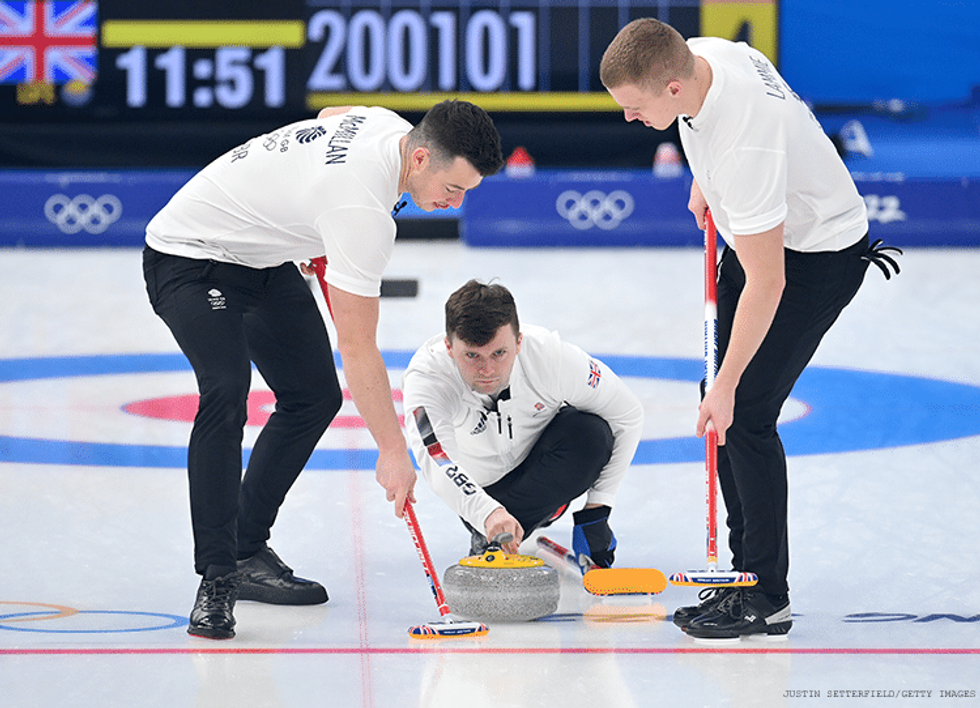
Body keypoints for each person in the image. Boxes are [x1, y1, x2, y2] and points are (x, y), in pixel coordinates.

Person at [142, 101, 504, 639]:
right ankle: (218, 577)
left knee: (313, 395)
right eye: (453, 188)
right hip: (191, 256)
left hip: (263, 257)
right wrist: (390, 451)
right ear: (422, 156)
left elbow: (333, 113)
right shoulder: (360, 213)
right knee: (226, 387)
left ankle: (246, 550)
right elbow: (358, 347)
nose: (455, 201)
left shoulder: (389, 128)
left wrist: (304, 206)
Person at [600, 19, 900, 639]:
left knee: (745, 412)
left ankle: (766, 595)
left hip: (812, 260)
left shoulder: (746, 145)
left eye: (635, 108)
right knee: (721, 413)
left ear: (675, 88)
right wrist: (702, 179)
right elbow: (716, 123)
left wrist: (729, 382)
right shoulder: (706, 57)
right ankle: (739, 577)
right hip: (758, 233)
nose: (629, 120)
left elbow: (771, 282)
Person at [401, 280, 644, 566]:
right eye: (472, 356)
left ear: (519, 342)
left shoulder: (550, 357)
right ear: (449, 347)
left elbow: (627, 414)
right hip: (480, 492)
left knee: (591, 434)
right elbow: (438, 460)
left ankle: (517, 526)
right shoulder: (428, 378)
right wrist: (486, 512)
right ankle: (489, 532)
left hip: (546, 469)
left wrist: (598, 508)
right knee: (475, 498)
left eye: (498, 353)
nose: (487, 370)